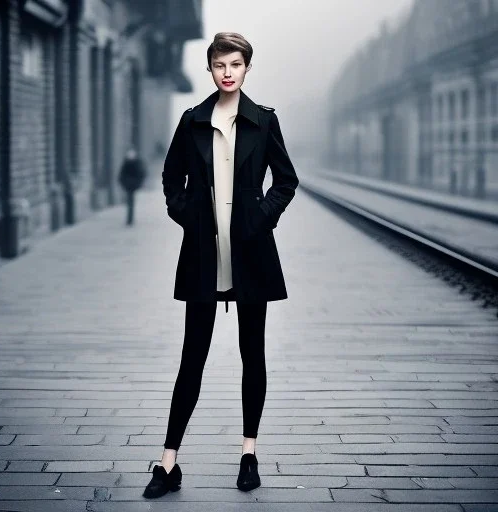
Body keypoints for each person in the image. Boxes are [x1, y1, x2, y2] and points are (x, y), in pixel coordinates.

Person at [143, 32, 299, 499]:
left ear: (247, 67)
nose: (227, 72)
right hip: (204, 256)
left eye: (235, 63)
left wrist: (261, 215)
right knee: (193, 356)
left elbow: (286, 180)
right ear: (210, 70)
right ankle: (168, 462)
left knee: (254, 354)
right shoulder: (193, 121)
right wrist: (189, 213)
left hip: (251, 252)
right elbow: (172, 178)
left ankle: (249, 454)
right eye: (218, 65)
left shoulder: (264, 121)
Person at [117, 148, 147, 225]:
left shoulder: (136, 163)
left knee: (130, 202)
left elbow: (141, 174)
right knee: (130, 202)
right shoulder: (127, 163)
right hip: (128, 185)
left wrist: (137, 184)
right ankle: (130, 219)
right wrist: (124, 183)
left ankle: (130, 219)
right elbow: (121, 175)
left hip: (132, 185)